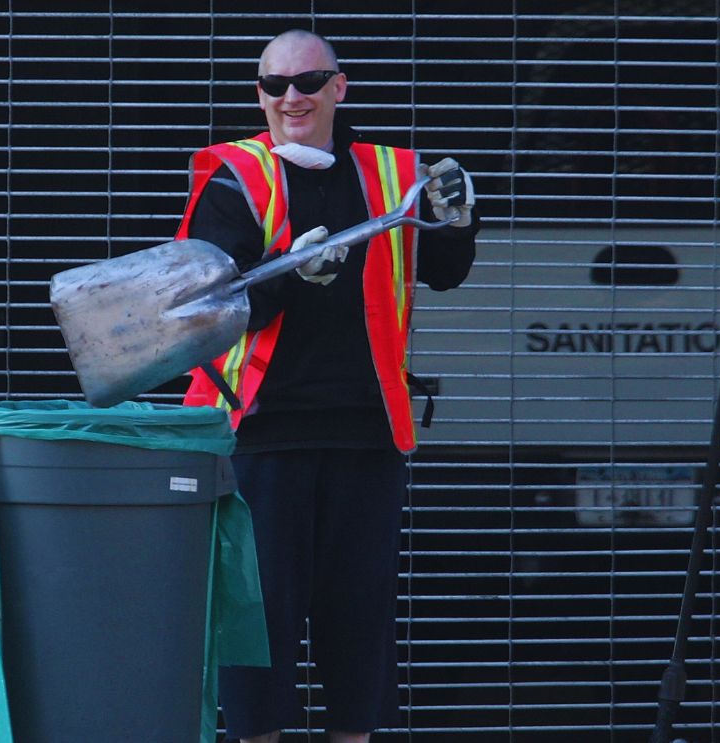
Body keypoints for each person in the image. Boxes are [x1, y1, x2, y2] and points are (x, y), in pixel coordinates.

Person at [175, 29, 479, 743]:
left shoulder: (390, 174)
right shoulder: (233, 177)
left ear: (338, 87)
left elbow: (444, 268)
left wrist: (458, 219)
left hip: (366, 432)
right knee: (259, 621)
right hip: (261, 432)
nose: (291, 98)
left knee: (359, 621)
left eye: (307, 82)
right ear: (259, 95)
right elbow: (203, 305)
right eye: (274, 86)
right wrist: (288, 271)